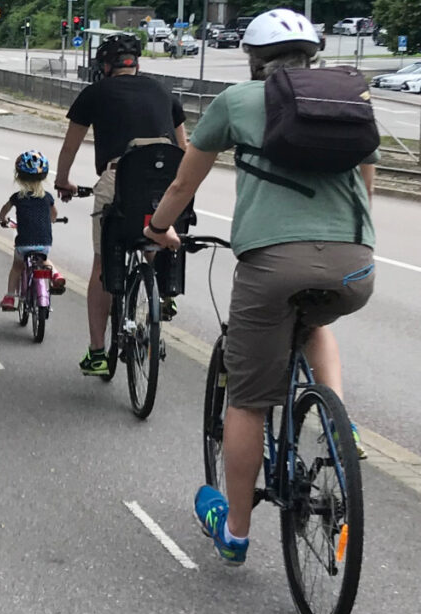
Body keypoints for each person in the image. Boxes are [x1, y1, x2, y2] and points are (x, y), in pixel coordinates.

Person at [143, 8, 376, 565]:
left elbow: (183, 181)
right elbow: (367, 183)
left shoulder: (238, 102)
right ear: (312, 57)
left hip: (273, 264)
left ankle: (237, 533)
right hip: (355, 263)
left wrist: (156, 228)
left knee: (247, 401)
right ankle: (341, 431)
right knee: (315, 321)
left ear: (253, 59)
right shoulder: (351, 95)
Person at [54, 33, 187, 376]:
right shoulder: (162, 91)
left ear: (106, 66)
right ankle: (162, 292)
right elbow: (183, 150)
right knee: (154, 234)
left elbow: (70, 147)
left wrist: (63, 181)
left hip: (119, 178)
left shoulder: (95, 93)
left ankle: (97, 352)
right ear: (137, 63)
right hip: (166, 181)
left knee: (103, 264)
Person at [0, 151, 67, 311]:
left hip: (24, 243)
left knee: (17, 267)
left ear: (18, 176)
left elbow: (4, 210)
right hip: (44, 242)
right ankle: (55, 275)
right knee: (43, 259)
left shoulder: (17, 197)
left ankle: (10, 297)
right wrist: (51, 220)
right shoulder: (47, 197)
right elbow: (54, 215)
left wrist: (1, 218)